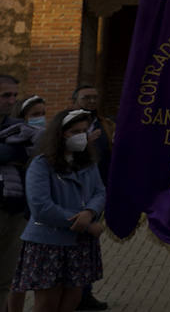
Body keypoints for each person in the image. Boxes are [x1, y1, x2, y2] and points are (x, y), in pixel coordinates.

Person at [13, 109, 105, 312]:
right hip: (49, 242)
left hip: (79, 244)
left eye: (84, 130)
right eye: (74, 131)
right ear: (60, 133)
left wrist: (90, 212)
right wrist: (85, 225)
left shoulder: (88, 162)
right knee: (47, 303)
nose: (81, 136)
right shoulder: (41, 164)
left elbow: (99, 191)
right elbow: (41, 206)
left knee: (72, 299)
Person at [68, 87, 109, 312]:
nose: (92, 101)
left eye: (95, 97)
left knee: (88, 247)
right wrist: (84, 142)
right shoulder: (64, 123)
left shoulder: (105, 125)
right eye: (86, 97)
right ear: (73, 101)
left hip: (96, 193)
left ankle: (85, 293)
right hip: (71, 195)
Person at [0, 87, 37, 312]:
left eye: (15, 95)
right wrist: (14, 153)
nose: (12, 100)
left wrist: (15, 154)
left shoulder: (19, 128)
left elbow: (41, 148)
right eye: (6, 95)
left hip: (15, 209)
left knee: (5, 278)